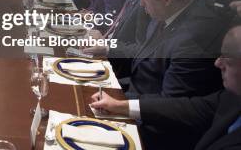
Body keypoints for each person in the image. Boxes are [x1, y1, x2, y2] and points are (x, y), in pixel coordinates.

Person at [90, 25, 241, 150]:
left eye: (227, 57)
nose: (217, 63)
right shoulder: (231, 97)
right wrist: (120, 105)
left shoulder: (189, 39)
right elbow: (187, 108)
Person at [125, 0, 228, 100]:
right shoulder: (162, 14)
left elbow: (170, 101)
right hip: (133, 92)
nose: (142, 4)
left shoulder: (193, 39)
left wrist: (122, 102)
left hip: (150, 112)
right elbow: (146, 57)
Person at [84, 0, 154, 74]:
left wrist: (107, 47)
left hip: (117, 67)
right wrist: (99, 34)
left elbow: (140, 49)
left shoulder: (142, 7)